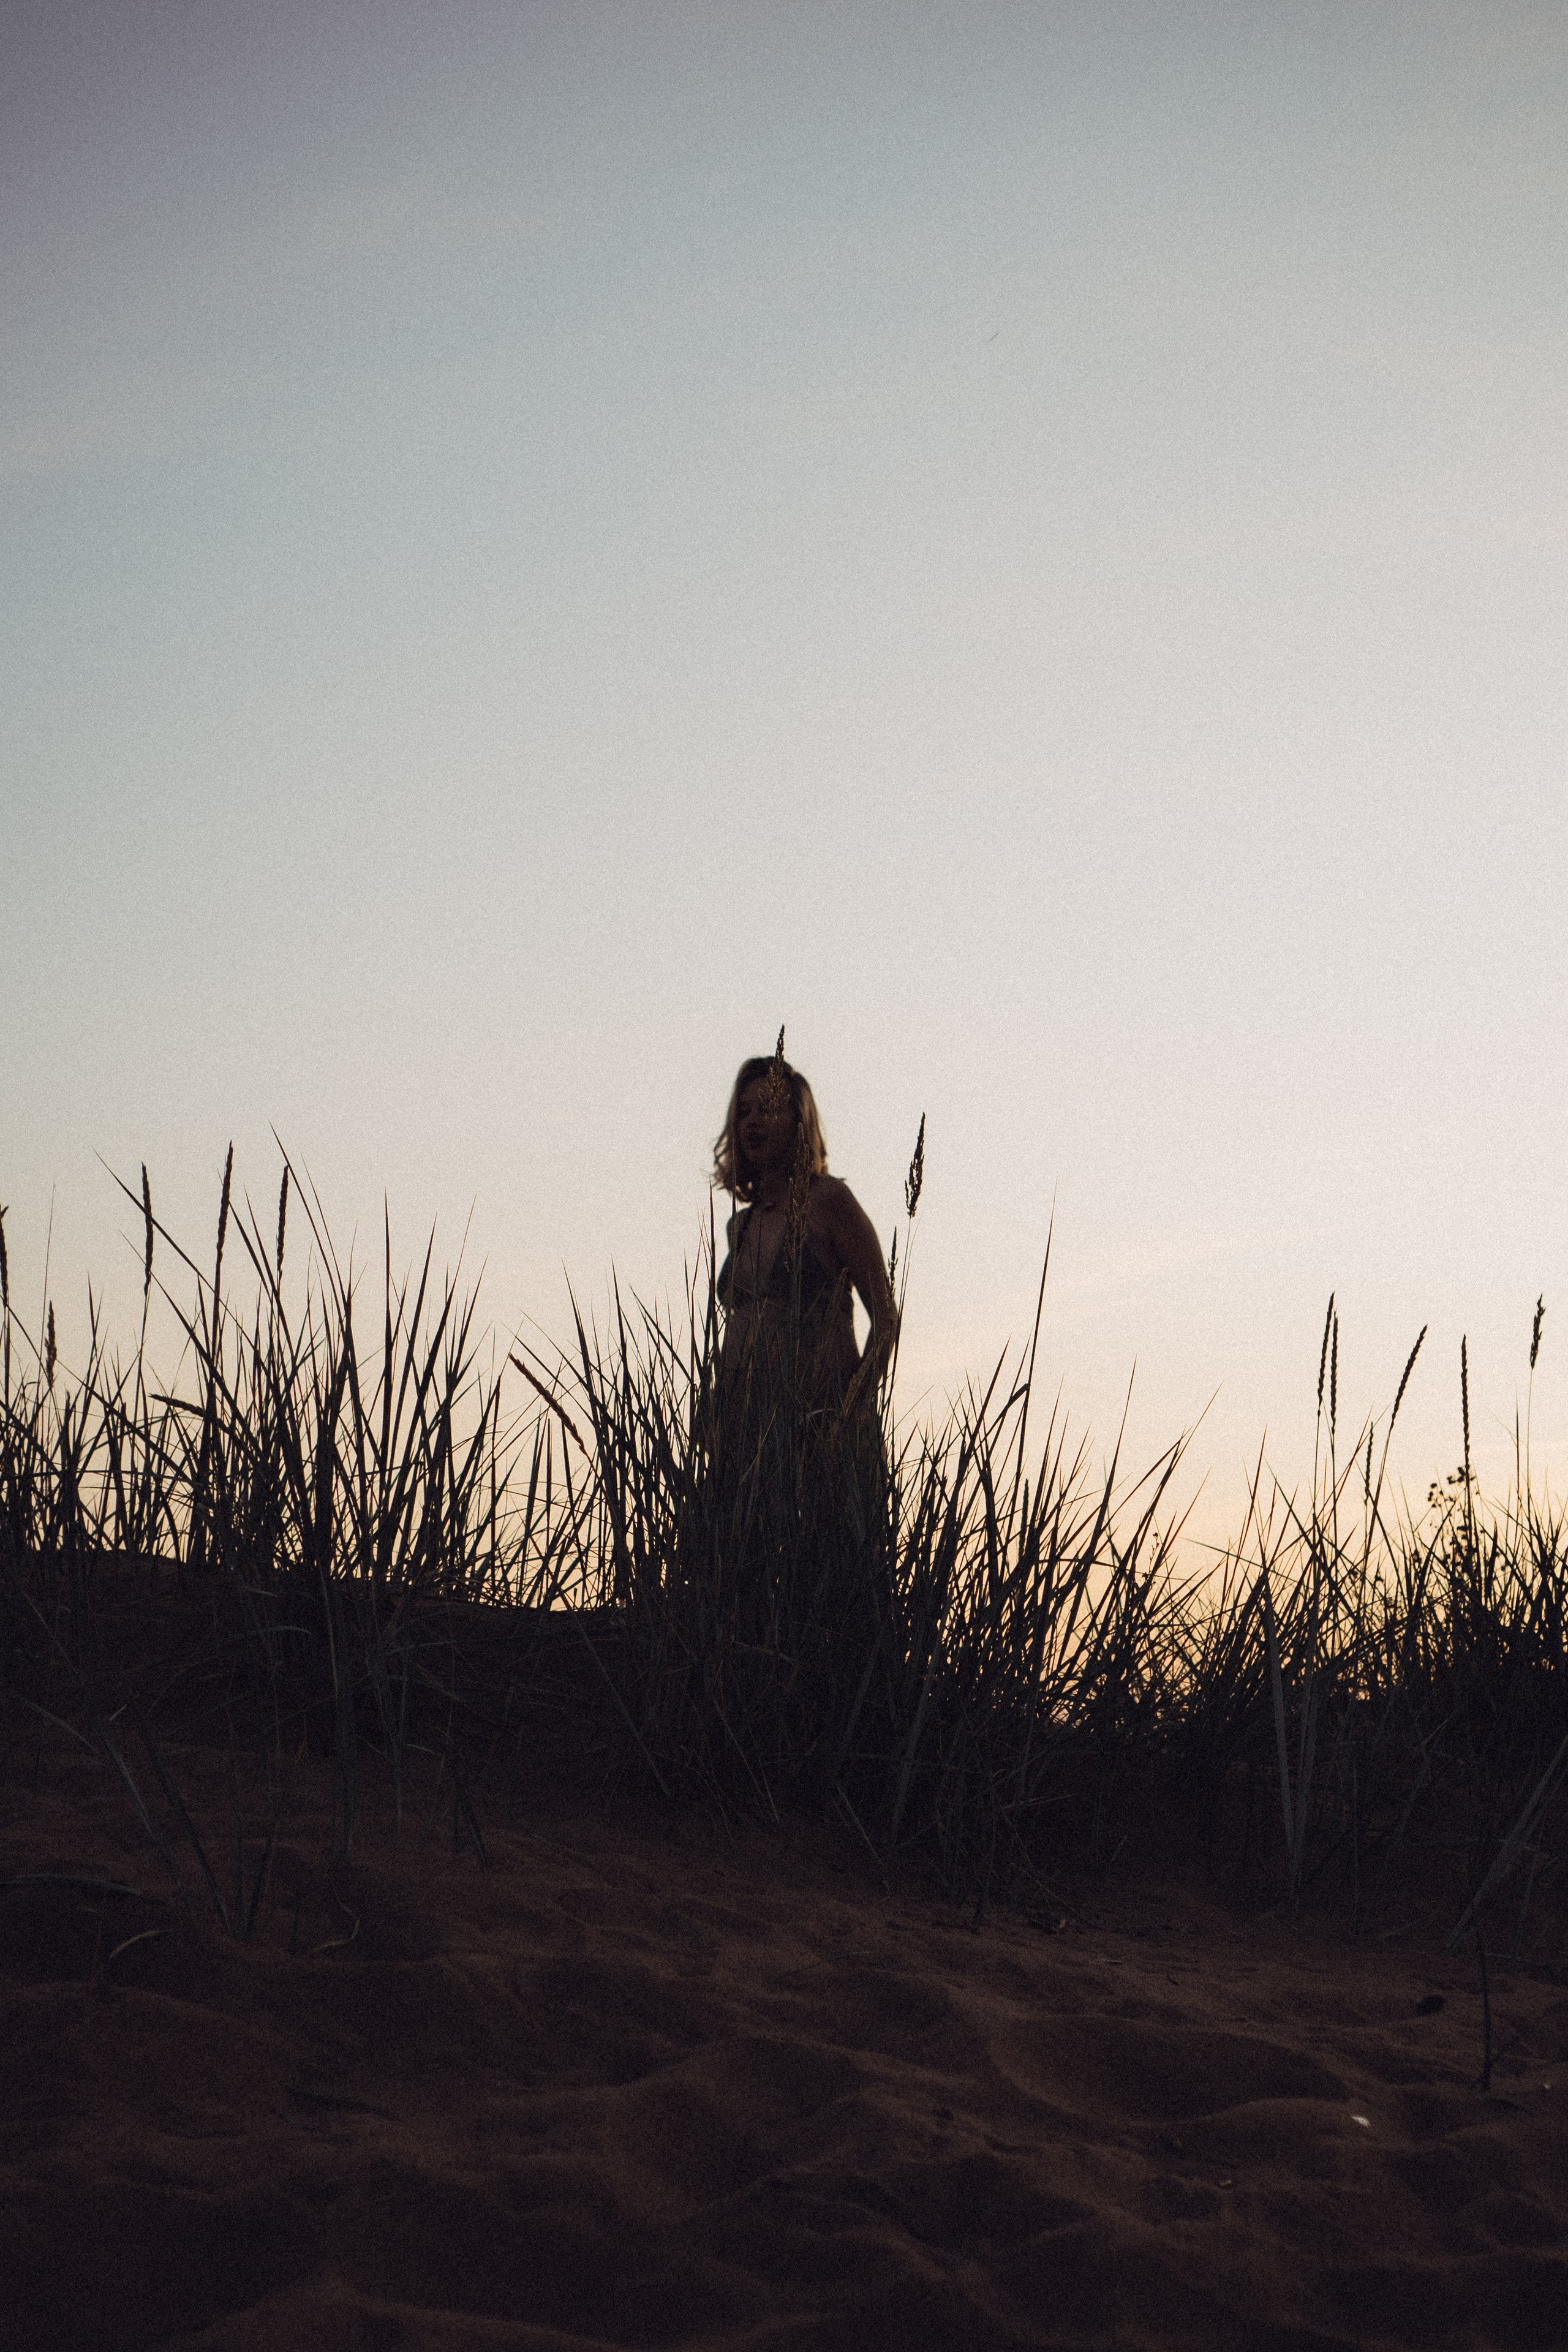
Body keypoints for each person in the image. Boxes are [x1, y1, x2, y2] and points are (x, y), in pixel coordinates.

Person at [712, 1052, 898, 1422]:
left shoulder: (829, 1201)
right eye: (744, 1111)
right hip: (745, 1437)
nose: (752, 1122)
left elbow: (886, 1320)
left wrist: (851, 1413)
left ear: (800, 1120)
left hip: (817, 1429)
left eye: (767, 1108)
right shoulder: (741, 1226)